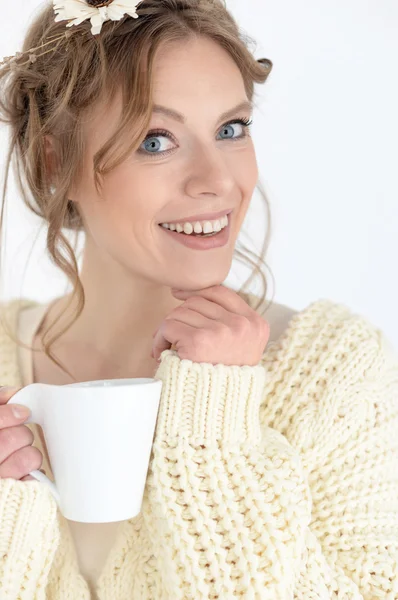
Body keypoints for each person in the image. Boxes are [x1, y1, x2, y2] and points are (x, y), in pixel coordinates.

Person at [0, 1, 397, 598]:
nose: (217, 179)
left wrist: (214, 434)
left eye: (231, 130)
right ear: (58, 162)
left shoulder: (337, 376)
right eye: (157, 140)